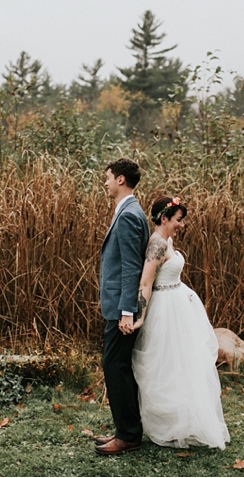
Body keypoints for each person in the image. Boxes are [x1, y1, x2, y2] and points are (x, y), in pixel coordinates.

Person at [130, 195, 230, 450]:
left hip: (180, 308)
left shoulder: (167, 241)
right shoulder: (155, 246)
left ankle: (186, 422)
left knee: (184, 366)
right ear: (164, 218)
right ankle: (168, 425)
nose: (181, 225)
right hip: (165, 313)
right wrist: (140, 317)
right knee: (166, 366)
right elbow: (145, 283)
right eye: (178, 220)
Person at [94, 158, 151, 456]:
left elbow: (131, 266)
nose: (104, 183)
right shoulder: (127, 210)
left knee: (115, 367)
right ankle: (125, 429)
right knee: (118, 366)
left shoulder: (129, 214)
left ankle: (128, 435)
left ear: (119, 180)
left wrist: (127, 311)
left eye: (107, 177)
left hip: (121, 309)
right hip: (118, 305)